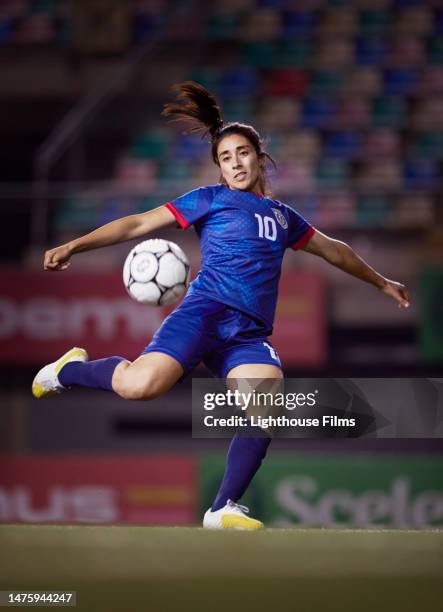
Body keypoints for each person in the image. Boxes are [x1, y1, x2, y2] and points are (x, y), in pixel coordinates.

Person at [32, 82, 410, 530]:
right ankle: (67, 370)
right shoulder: (208, 200)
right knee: (140, 386)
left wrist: (381, 281)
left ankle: (222, 508)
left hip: (247, 333)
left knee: (266, 405)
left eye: (243, 153)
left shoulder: (284, 216)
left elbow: (335, 250)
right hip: (204, 313)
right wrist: (75, 245)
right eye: (226, 157)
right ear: (219, 168)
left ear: (259, 157)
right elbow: (136, 222)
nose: (235, 163)